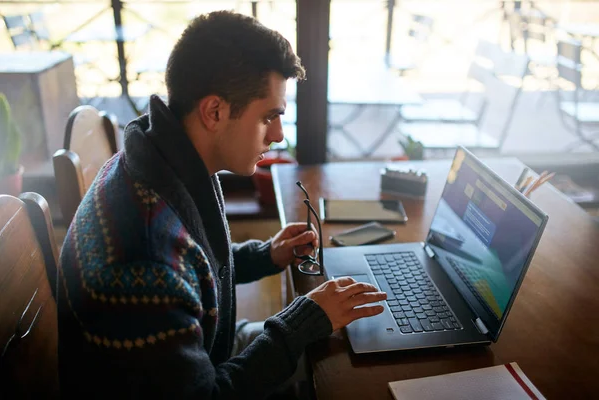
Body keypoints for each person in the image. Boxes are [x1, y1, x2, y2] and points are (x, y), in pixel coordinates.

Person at [57, 10, 386, 399]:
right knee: (356, 374)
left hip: (203, 350)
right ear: (215, 112)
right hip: (205, 375)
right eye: (269, 117)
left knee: (349, 345)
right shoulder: (144, 257)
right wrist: (302, 322)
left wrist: (266, 255)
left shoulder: (164, 157)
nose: (279, 135)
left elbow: (194, 264)